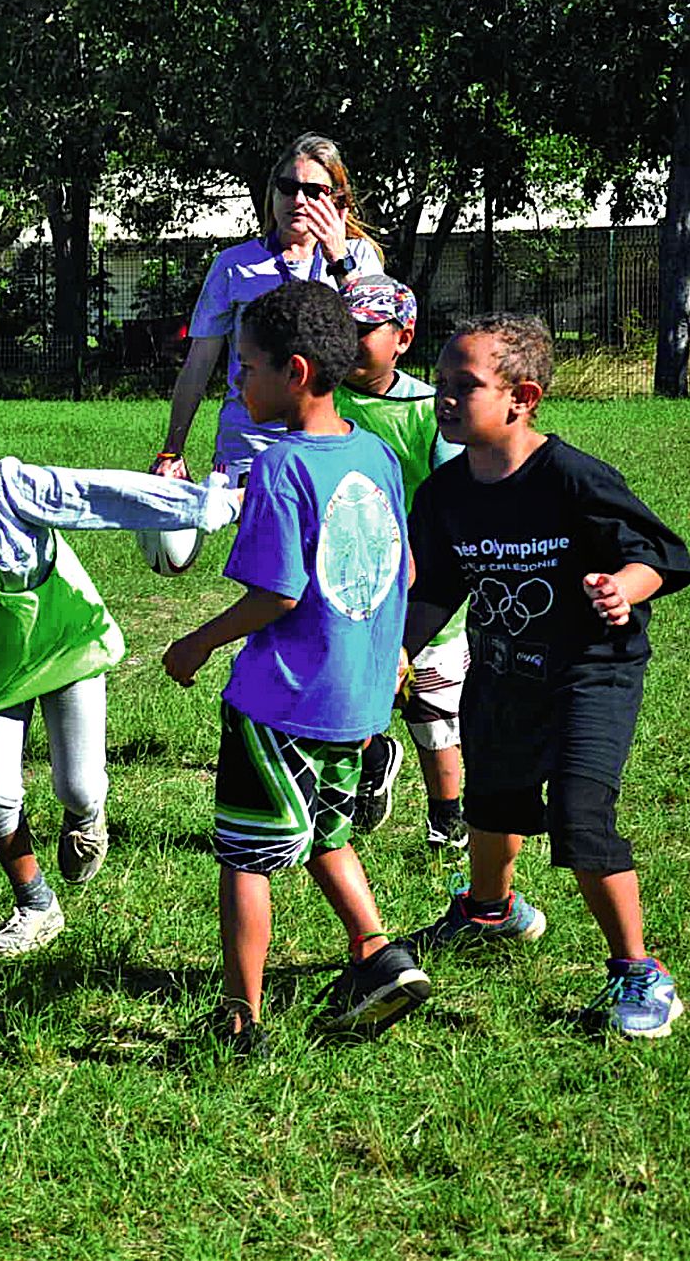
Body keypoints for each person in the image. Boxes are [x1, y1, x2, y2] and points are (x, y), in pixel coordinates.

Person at [404, 314, 690, 1038]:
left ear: (520, 396)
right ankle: (489, 911)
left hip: (588, 672)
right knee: (494, 802)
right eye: (439, 383)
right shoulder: (443, 493)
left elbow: (659, 552)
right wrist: (396, 654)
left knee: (576, 816)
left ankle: (638, 971)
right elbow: (437, 585)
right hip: (502, 669)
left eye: (462, 385)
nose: (443, 397)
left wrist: (623, 587)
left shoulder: (570, 476)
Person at [0, 405, 239, 952]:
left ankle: (87, 815)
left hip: (66, 647)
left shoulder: (4, 486)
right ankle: (35, 903)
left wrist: (203, 504)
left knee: (77, 788)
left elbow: (92, 495)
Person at [162, 281, 428, 1056]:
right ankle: (377, 953)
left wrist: (197, 643)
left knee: (244, 858)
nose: (237, 383)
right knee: (324, 835)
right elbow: (403, 570)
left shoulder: (280, 466)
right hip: (360, 701)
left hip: (279, 700)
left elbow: (276, 594)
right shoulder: (371, 451)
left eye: (245, 367)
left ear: (297, 371)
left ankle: (238, 1021)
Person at [155, 133, 384, 485]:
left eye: (314, 192)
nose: (298, 200)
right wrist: (172, 450)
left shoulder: (359, 259)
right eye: (287, 187)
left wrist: (338, 260)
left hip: (330, 440)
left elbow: (374, 349)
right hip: (249, 445)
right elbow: (199, 363)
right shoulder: (234, 265)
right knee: (260, 539)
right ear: (272, 194)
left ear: (337, 202)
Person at [333, 275, 468, 848]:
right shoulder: (322, 396)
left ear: (403, 337)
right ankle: (367, 762)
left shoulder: (426, 411)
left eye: (364, 330)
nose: (350, 341)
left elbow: (458, 500)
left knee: (433, 714)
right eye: (343, 330)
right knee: (352, 692)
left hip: (425, 593)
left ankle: (447, 819)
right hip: (348, 581)